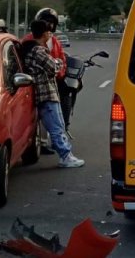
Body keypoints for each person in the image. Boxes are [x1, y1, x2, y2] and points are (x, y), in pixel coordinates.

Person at [24, 19, 85, 168]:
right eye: (49, 32)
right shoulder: (38, 50)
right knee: (57, 126)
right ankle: (65, 156)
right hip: (46, 92)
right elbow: (53, 67)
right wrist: (58, 61)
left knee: (55, 125)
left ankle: (65, 154)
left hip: (41, 92)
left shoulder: (28, 46)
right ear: (45, 33)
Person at [30, 8, 72, 137]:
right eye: (46, 22)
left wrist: (59, 74)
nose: (50, 25)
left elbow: (62, 60)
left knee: (66, 95)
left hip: (55, 80)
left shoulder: (55, 42)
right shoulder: (29, 40)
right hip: (37, 82)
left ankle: (64, 126)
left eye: (52, 23)